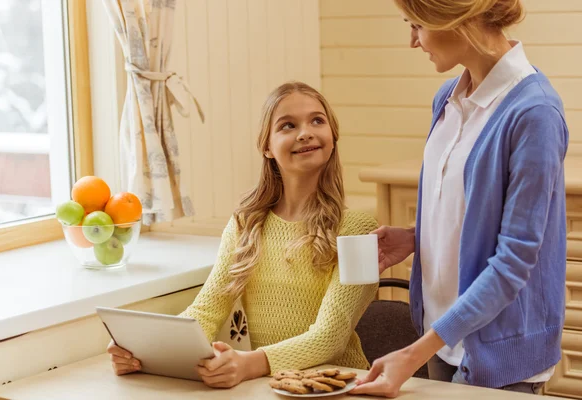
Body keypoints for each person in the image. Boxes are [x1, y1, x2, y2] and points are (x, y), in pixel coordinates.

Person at [352, 0, 569, 397]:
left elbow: (514, 261)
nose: (412, 42)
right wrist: (416, 237)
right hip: (441, 337)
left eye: (416, 24)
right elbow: (467, 213)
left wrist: (415, 353)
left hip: (499, 355)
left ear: (456, 18)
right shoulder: (447, 98)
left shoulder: (534, 113)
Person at [106, 81, 380, 388]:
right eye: (287, 125)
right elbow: (205, 312)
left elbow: (330, 337)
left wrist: (249, 363)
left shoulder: (358, 229)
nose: (305, 132)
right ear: (266, 147)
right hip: (273, 387)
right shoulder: (245, 225)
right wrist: (143, 350)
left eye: (318, 120)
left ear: (332, 138)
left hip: (340, 388)